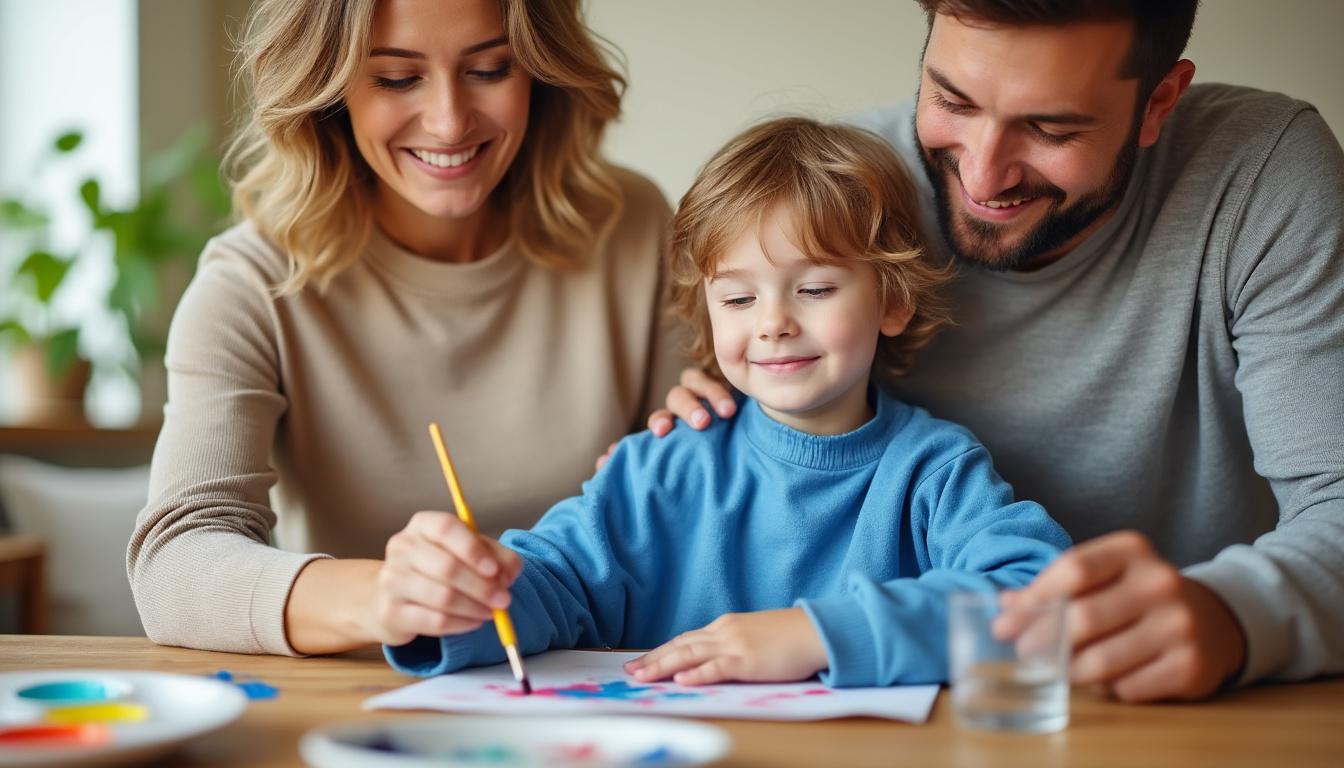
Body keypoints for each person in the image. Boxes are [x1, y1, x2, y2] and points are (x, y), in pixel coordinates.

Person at [653, 0, 1344, 701]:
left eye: (1051, 127)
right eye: (952, 100)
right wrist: (727, 407)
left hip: (1191, 715)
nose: (983, 179)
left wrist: (1234, 612)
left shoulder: (1260, 174)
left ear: (1158, 99)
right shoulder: (847, 199)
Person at [384, 117, 1071, 686]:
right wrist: (457, 599)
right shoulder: (657, 468)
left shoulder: (935, 471)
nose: (771, 321)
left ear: (892, 300)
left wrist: (821, 635)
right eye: (739, 298)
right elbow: (553, 586)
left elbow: (1038, 598)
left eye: (815, 289)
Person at [127, 0, 686, 657]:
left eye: (490, 69)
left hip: (605, 692)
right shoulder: (254, 283)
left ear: (540, 70)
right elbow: (174, 565)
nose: (449, 122)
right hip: (364, 706)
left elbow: (696, 511)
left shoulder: (634, 226)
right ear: (328, 86)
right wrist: (382, 597)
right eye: (395, 79)